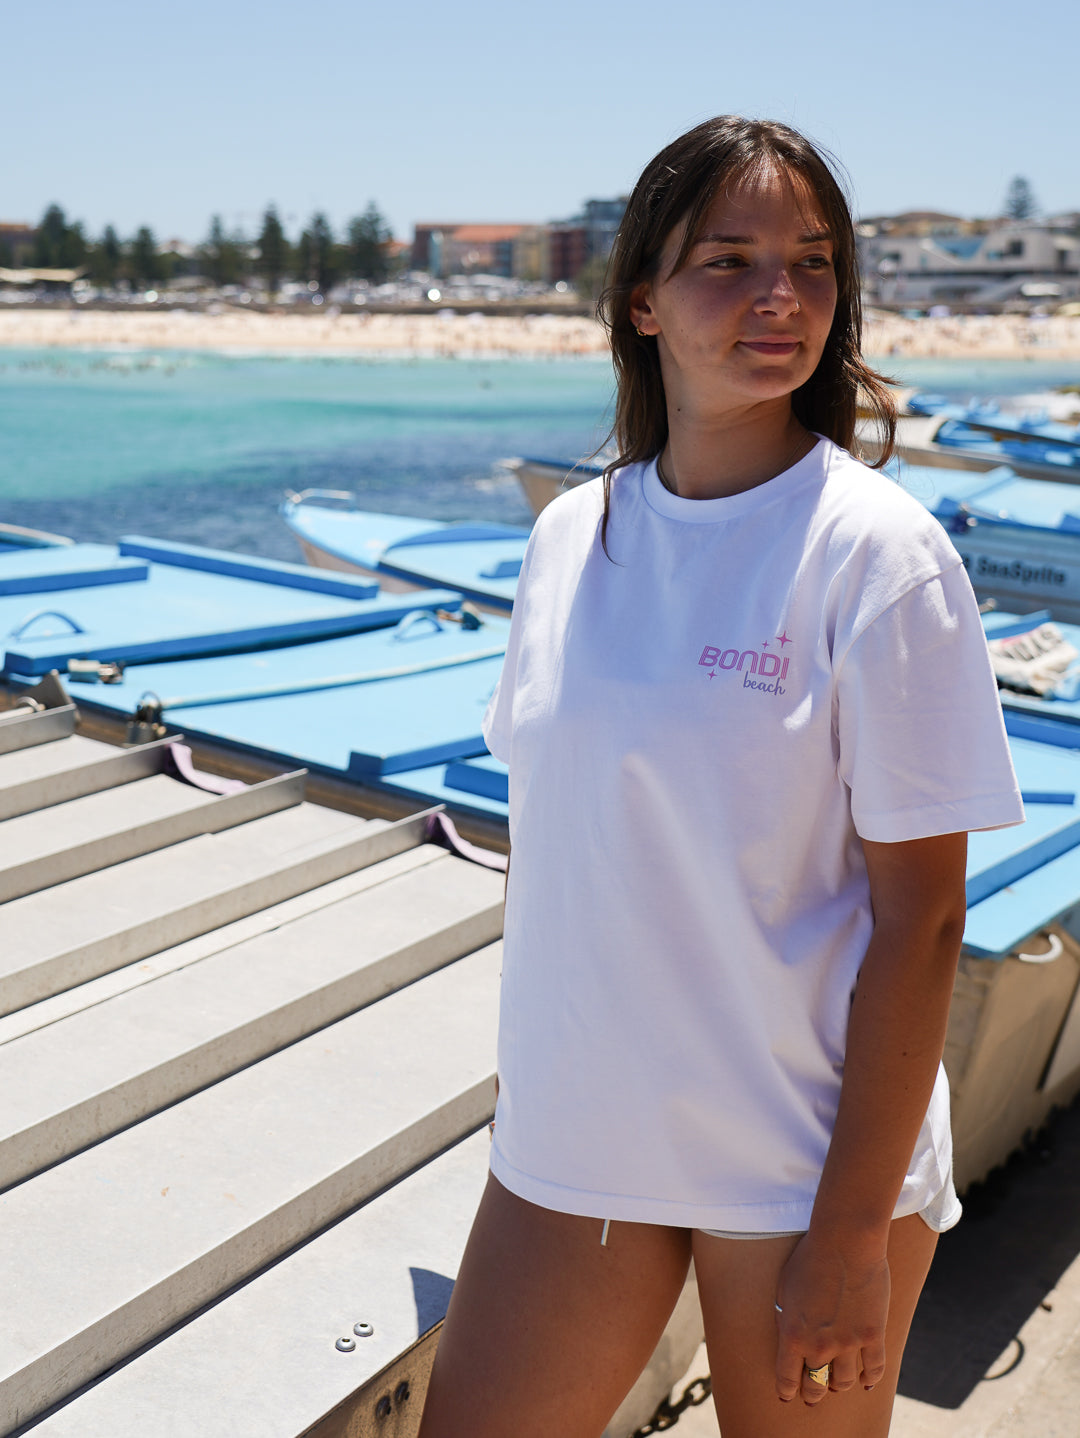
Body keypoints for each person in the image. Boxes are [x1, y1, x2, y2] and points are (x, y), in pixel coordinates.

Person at [417, 116, 1024, 1438]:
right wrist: (528, 1087)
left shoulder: (880, 555)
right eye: (730, 261)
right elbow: (559, 851)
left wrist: (851, 1235)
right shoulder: (569, 537)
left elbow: (924, 920)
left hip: (804, 1160)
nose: (781, 295)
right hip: (578, 1140)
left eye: (812, 262)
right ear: (642, 298)